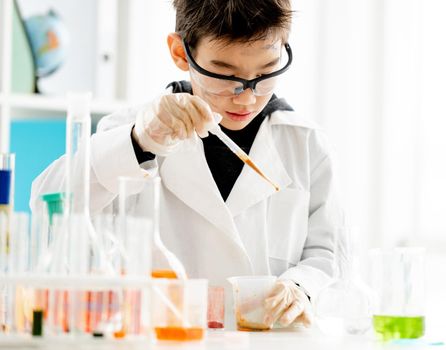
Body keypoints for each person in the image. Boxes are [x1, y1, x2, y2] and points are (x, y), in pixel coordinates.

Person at [30, 0, 346, 329]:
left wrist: (301, 286)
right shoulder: (131, 130)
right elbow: (46, 206)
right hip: (163, 339)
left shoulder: (306, 146)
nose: (246, 97)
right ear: (181, 53)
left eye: (266, 73)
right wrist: (139, 143)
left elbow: (329, 253)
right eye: (225, 74)